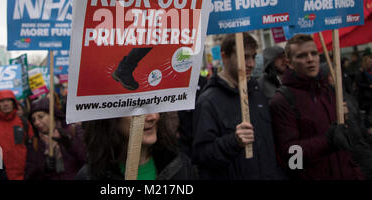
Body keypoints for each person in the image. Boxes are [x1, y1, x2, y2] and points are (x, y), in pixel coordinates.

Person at [192, 33, 286, 180]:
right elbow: (201, 155)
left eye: (254, 57)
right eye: (244, 57)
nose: (251, 64)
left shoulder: (256, 92)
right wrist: (233, 141)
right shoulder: (208, 102)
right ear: (225, 57)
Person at [269, 34, 364, 180]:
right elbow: (291, 158)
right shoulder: (282, 100)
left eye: (314, 53)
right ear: (289, 63)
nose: (310, 59)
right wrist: (327, 141)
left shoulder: (329, 90)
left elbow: (349, 145)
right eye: (302, 56)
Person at [74, 113, 196, 180]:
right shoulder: (89, 177)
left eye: (153, 105)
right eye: (136, 109)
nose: (153, 116)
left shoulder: (180, 166)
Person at [25, 97, 87, 179]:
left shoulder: (73, 130)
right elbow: (30, 173)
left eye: (41, 117)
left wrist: (70, 144)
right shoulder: (35, 142)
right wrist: (44, 167)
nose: (37, 122)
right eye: (33, 120)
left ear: (53, 115)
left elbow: (87, 159)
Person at [0, 89, 33, 180]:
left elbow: (32, 146)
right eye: (2, 101)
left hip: (22, 174)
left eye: (8, 100)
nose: (5, 104)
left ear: (13, 103)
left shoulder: (23, 122)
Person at [355, 53, 372, 129]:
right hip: (365, 98)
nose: (370, 63)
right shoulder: (360, 72)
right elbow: (358, 84)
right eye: (369, 62)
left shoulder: (370, 71)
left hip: (370, 96)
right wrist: (369, 86)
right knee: (367, 115)